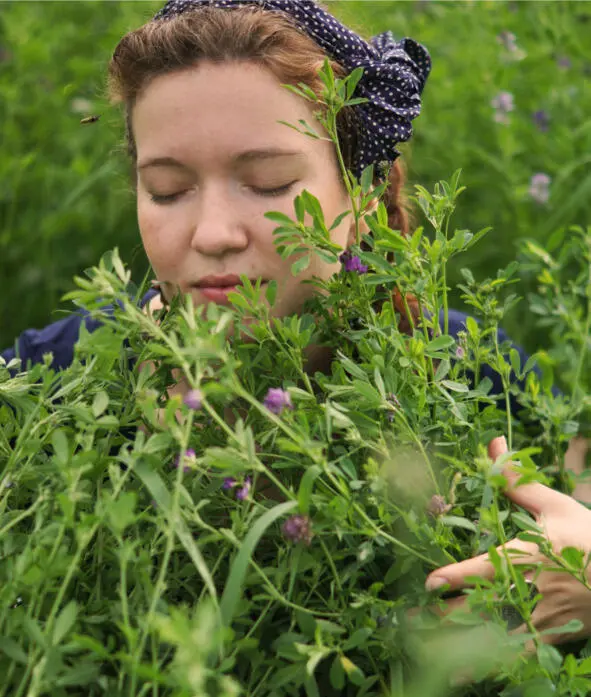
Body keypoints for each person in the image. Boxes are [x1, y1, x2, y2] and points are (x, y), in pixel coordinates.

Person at [1, 0, 589, 648]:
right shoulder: (47, 386)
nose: (214, 233)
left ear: (360, 195)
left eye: (267, 181)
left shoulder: (466, 372)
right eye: (167, 190)